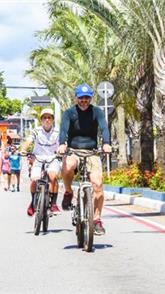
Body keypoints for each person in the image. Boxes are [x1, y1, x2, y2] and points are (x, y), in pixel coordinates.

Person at [58, 83, 112, 236]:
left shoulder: (97, 112)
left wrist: (106, 143)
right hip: (74, 150)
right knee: (67, 166)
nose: (84, 100)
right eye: (81, 97)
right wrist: (62, 144)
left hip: (92, 152)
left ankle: (96, 220)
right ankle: (68, 192)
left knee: (98, 186)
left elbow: (104, 128)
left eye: (87, 97)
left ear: (90, 98)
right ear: (76, 98)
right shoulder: (69, 113)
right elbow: (63, 130)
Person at [20, 108, 61, 216]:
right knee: (34, 180)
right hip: (38, 158)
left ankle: (53, 204)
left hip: (53, 158)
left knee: (52, 177)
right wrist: (23, 149)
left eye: (49, 118)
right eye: (44, 118)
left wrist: (63, 149)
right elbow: (28, 141)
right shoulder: (36, 131)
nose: (47, 120)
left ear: (52, 120)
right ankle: (33, 203)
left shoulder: (58, 132)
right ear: (41, 120)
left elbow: (63, 143)